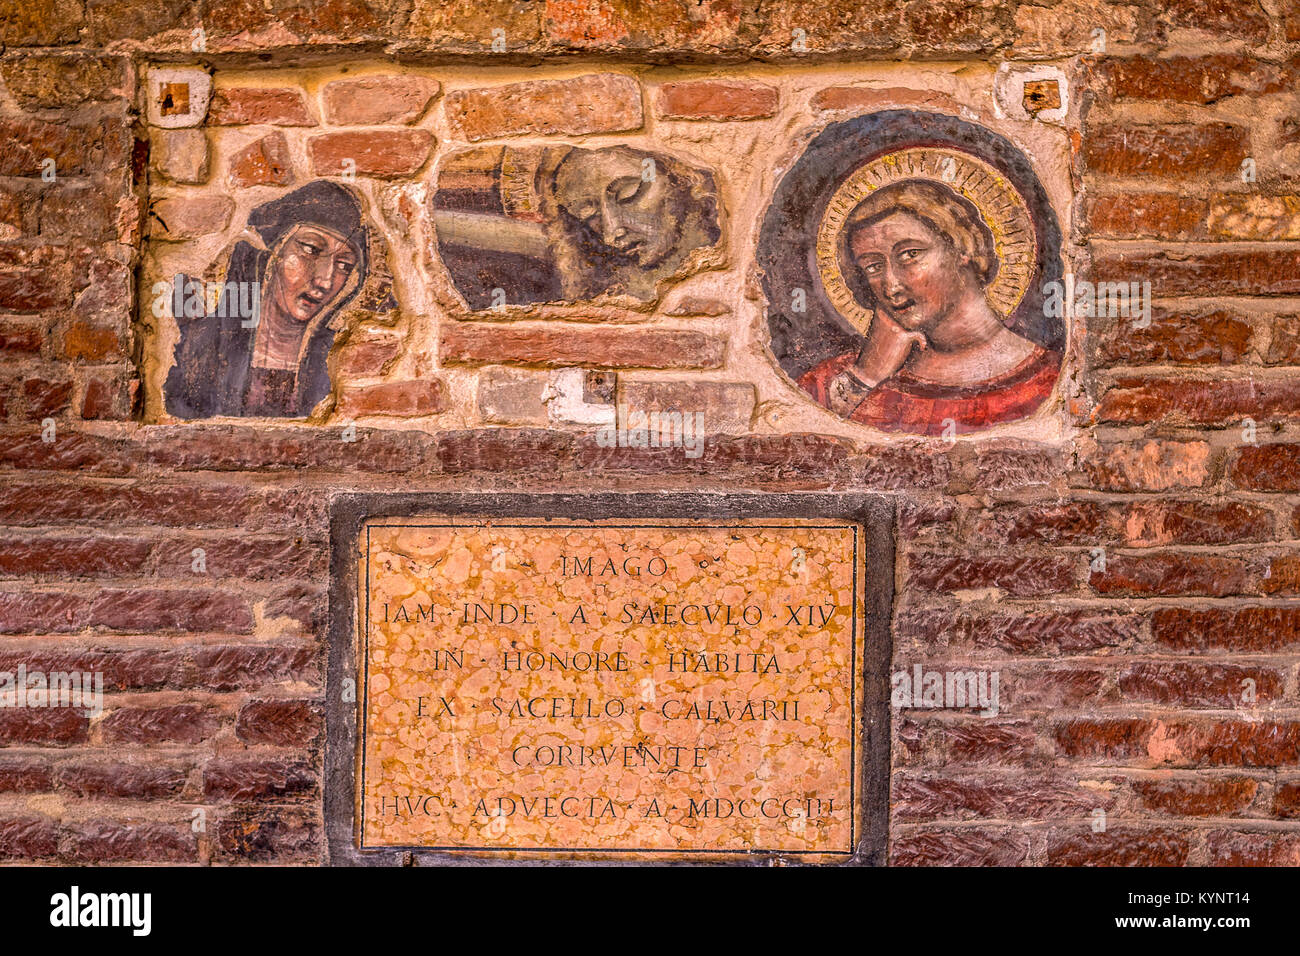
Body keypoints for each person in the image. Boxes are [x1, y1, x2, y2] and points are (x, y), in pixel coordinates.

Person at [799, 178, 1060, 434]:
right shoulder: (829, 384)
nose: (892, 286)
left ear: (961, 248)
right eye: (873, 267)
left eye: (910, 254)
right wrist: (867, 375)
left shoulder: (1051, 380)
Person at [164, 180, 369, 419]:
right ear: (273, 254)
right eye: (311, 250)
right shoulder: (206, 344)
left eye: (344, 265)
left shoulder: (342, 360)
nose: (325, 280)